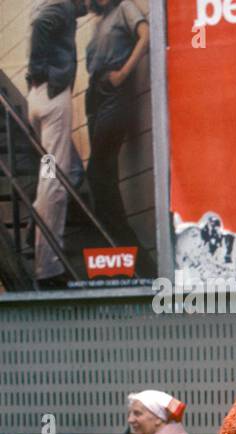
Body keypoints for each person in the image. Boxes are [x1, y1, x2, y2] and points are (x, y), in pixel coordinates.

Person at [25, 0, 90, 288]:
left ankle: (35, 229)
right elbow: (41, 25)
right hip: (53, 100)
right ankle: (48, 268)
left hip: (39, 101)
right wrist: (43, 73)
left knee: (55, 173)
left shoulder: (57, 6)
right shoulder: (62, 6)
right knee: (55, 184)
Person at [84, 0, 149, 251]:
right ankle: (118, 244)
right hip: (95, 94)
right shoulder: (99, 22)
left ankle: (121, 241)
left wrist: (123, 74)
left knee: (97, 170)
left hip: (114, 93)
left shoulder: (125, 7)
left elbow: (145, 36)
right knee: (105, 173)